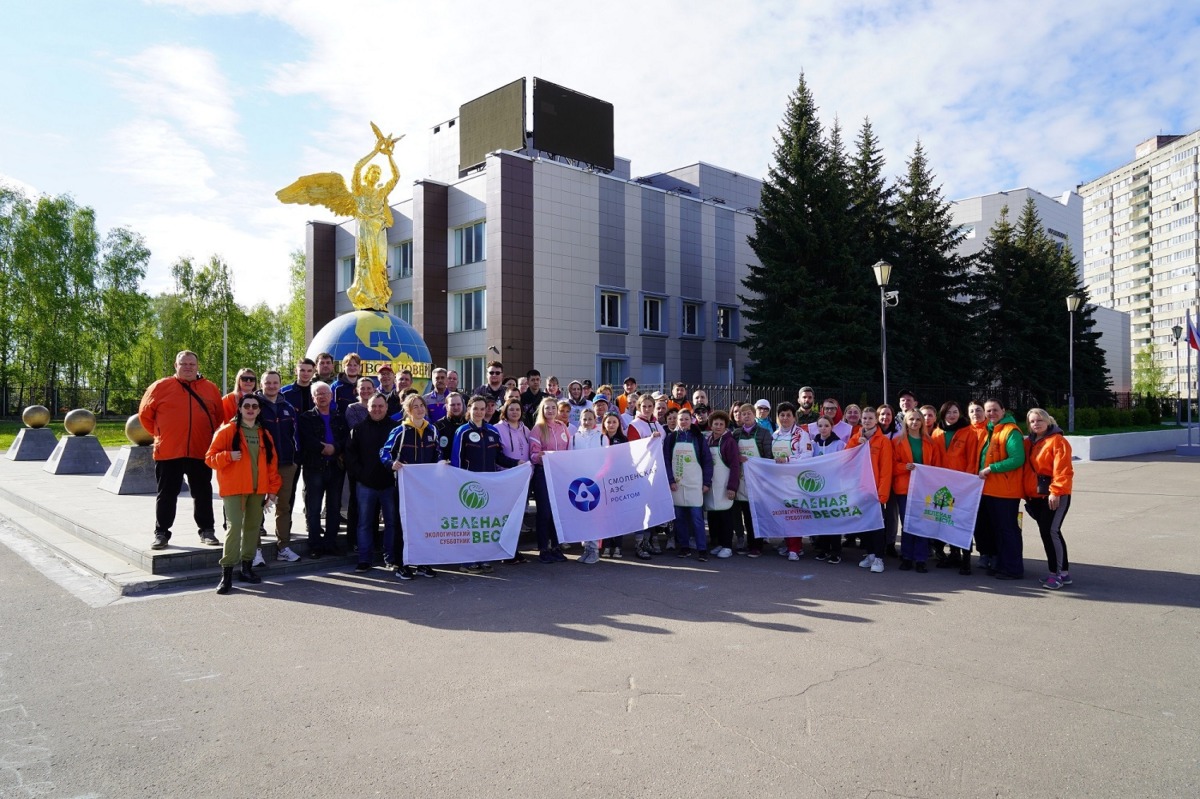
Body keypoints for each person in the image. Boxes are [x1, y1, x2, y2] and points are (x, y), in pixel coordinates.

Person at [138, 350, 225, 550]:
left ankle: (207, 531)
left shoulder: (210, 388)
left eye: (191, 364)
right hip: (169, 451)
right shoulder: (160, 387)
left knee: (203, 493)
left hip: (200, 450)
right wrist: (161, 434)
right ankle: (161, 533)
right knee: (166, 494)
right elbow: (145, 416)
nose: (188, 367)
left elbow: (218, 416)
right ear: (175, 366)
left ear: (197, 366)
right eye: (183, 364)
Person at [205, 393, 281, 594]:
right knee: (234, 527)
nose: (250, 409)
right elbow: (210, 458)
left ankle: (246, 568)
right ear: (239, 408)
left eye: (254, 406)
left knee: (252, 528)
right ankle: (227, 573)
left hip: (258, 490)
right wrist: (228, 456)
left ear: (259, 410)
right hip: (234, 489)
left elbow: (272, 465)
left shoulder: (264, 433)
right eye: (246, 405)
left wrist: (272, 490)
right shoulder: (227, 431)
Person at [450, 395, 518, 573]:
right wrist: (458, 483)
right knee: (470, 524)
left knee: (484, 523)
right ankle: (467, 561)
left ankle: (483, 558)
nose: (479, 412)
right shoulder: (462, 431)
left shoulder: (493, 432)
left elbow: (499, 458)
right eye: (476, 408)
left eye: (482, 408)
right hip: (468, 486)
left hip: (489, 485)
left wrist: (517, 463)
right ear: (469, 410)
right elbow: (456, 460)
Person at [380, 393, 440, 579]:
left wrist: (441, 462)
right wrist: (391, 464)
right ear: (407, 410)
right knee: (402, 525)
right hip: (404, 487)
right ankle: (400, 564)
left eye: (421, 405)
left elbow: (438, 452)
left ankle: (423, 563)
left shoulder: (432, 430)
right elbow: (385, 452)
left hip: (426, 488)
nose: (420, 409)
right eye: (415, 406)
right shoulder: (400, 431)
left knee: (424, 524)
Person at [342, 394, 398, 572]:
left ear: (387, 408)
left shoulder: (396, 429)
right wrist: (361, 475)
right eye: (374, 406)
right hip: (365, 484)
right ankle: (364, 560)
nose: (377, 409)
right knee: (364, 523)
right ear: (368, 407)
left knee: (391, 523)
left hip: (389, 484)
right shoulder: (358, 429)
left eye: (381, 406)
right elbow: (350, 457)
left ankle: (391, 558)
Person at [255, 370, 302, 564]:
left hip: (285, 465)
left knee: (283, 507)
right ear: (262, 384)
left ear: (280, 384)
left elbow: (295, 434)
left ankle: (283, 547)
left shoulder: (288, 407)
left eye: (275, 383)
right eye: (268, 383)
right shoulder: (254, 405)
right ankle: (255, 549)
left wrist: (294, 458)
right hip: (260, 466)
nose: (272, 386)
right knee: (256, 508)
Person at [1024, 408, 1074, 590]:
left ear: (1048, 421)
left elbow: (1063, 470)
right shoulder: (1029, 442)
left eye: (1039, 420)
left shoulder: (1058, 441)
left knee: (1051, 532)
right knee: (1050, 533)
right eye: (1031, 421)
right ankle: (1063, 572)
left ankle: (1057, 574)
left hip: (1054, 495)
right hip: (1036, 496)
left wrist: (1056, 492)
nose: (1035, 424)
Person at [297, 382, 349, 558]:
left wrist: (335, 448)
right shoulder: (306, 418)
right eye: (318, 394)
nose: (322, 397)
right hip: (314, 467)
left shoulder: (340, 417)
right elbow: (306, 439)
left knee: (334, 507)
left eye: (325, 393)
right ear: (313, 398)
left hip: (336, 467)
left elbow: (345, 438)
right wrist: (322, 447)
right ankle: (315, 545)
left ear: (331, 396)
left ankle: (330, 543)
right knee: (314, 508)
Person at [977, 398, 1026, 580]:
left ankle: (1013, 569)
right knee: (998, 530)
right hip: (991, 489)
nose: (991, 413)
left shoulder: (1011, 432)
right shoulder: (990, 431)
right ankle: (1002, 565)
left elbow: (1017, 459)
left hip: (1005, 491)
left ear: (1003, 410)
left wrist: (992, 468)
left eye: (995, 410)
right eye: (988, 411)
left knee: (1008, 530)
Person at [893, 409, 943, 572]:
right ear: (905, 422)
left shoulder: (930, 442)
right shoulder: (897, 441)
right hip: (905, 488)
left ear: (922, 422)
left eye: (918, 419)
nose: (914, 422)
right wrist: (903, 467)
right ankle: (907, 557)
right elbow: (891, 465)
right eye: (911, 419)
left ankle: (920, 558)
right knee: (907, 524)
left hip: (924, 489)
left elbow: (936, 467)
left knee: (922, 524)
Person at [846, 406, 894, 573]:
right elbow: (846, 459)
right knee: (864, 524)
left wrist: (882, 493)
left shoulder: (883, 441)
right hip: (859, 489)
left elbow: (886, 469)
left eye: (870, 418)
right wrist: (855, 444)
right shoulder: (855, 437)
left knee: (877, 525)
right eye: (864, 418)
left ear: (876, 420)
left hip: (875, 491)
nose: (867, 421)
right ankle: (870, 554)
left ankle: (879, 558)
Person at [932, 400, 976, 573]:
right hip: (942, 484)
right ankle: (953, 554)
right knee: (945, 521)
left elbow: (972, 459)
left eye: (955, 411)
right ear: (943, 414)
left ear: (960, 413)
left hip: (962, 485)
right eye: (948, 412)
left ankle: (966, 559)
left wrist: (967, 482)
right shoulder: (936, 433)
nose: (952, 415)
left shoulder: (969, 432)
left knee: (962, 521)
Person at [665, 408, 712, 560]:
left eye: (686, 419)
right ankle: (684, 547)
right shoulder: (671, 438)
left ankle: (702, 549)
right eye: (681, 419)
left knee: (697, 519)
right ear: (677, 422)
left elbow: (707, 461)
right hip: (677, 485)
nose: (684, 422)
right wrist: (671, 481)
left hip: (695, 484)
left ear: (691, 421)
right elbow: (666, 461)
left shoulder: (698, 438)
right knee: (679, 519)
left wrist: (706, 482)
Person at [530, 397, 571, 564]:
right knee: (545, 512)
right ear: (542, 410)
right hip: (543, 474)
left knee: (557, 513)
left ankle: (556, 547)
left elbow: (569, 450)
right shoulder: (538, 429)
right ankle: (543, 549)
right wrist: (542, 457)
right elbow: (533, 455)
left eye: (553, 408)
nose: (551, 411)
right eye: (547, 408)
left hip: (559, 475)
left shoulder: (562, 427)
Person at [625, 394, 665, 560]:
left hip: (657, 472)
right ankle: (639, 543)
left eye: (650, 406)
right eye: (644, 406)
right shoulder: (634, 425)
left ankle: (648, 540)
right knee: (642, 509)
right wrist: (649, 439)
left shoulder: (657, 424)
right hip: (641, 473)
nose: (647, 409)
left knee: (653, 508)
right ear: (638, 407)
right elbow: (633, 449)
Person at [771, 401, 813, 560]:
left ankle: (795, 548)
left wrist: (788, 460)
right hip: (779, 482)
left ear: (794, 417)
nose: (785, 418)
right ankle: (789, 544)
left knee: (794, 515)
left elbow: (807, 457)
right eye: (782, 415)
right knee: (784, 514)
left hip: (796, 481)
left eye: (788, 415)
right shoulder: (774, 435)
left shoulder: (802, 434)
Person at [732, 402, 772, 557]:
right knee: (745, 513)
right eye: (743, 414)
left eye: (749, 413)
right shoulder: (736, 434)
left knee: (757, 514)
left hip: (758, 480)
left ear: (754, 414)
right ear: (740, 417)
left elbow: (768, 456)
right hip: (741, 479)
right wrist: (737, 457)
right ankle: (749, 543)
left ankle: (757, 545)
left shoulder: (764, 433)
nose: (746, 416)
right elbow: (730, 454)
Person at [704, 410, 741, 559]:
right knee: (713, 516)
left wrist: (732, 487)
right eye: (715, 424)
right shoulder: (707, 440)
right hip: (711, 486)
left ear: (725, 425)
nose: (718, 426)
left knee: (725, 516)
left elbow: (735, 466)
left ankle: (727, 546)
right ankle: (718, 543)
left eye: (721, 424)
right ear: (711, 425)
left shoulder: (729, 442)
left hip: (724, 485)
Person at [810, 416, 846, 563]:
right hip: (819, 488)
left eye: (826, 426)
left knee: (833, 520)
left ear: (832, 427)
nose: (823, 428)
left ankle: (836, 551)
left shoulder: (840, 444)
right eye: (820, 426)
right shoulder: (813, 444)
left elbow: (845, 464)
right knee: (822, 520)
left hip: (834, 487)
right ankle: (824, 549)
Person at [570, 408, 604, 564]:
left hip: (596, 482)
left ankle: (594, 550)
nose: (587, 422)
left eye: (590, 419)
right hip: (580, 482)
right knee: (583, 515)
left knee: (595, 517)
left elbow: (607, 459)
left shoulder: (602, 438)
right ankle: (586, 548)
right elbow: (570, 458)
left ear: (595, 420)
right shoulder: (574, 439)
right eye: (584, 419)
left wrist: (599, 475)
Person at [435, 392, 467, 461]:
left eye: (458, 404)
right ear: (446, 407)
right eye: (452, 405)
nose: (456, 407)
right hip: (445, 468)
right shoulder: (438, 426)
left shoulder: (468, 424)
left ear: (462, 405)